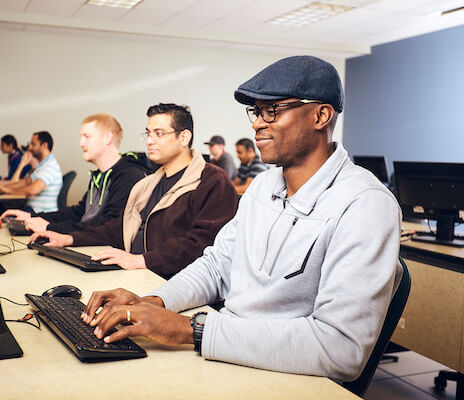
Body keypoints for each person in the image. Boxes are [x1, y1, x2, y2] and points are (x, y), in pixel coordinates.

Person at [77, 56, 402, 382]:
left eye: (271, 110)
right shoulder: (263, 186)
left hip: (287, 377)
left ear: (321, 115)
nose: (257, 123)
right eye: (256, 112)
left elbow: (341, 349)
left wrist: (189, 330)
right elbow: (218, 266)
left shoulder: (365, 205)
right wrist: (153, 302)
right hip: (227, 349)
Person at [30, 103, 238, 279]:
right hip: (138, 275)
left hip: (170, 283)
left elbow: (202, 245)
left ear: (184, 137)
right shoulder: (147, 184)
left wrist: (141, 260)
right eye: (147, 133)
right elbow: (117, 227)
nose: (149, 140)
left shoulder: (212, 182)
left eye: (159, 133)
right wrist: (69, 239)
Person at [1, 114, 149, 233]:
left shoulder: (129, 175)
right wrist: (33, 216)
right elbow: (80, 213)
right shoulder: (100, 175)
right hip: (90, 245)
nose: (80, 143)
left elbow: (108, 224)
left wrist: (49, 228)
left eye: (87, 136)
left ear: (107, 138)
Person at [0, 131, 62, 213]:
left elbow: (32, 190)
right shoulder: (42, 166)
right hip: (31, 209)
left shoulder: (49, 167)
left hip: (40, 213)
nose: (30, 147)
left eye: (33, 144)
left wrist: (8, 190)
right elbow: (25, 182)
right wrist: (0, 186)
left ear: (44, 145)